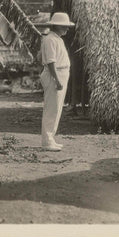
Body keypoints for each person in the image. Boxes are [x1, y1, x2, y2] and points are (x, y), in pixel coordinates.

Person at [40, 12, 75, 151]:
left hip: (61, 73)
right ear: (56, 26)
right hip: (55, 75)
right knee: (52, 108)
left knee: (57, 108)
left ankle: (50, 138)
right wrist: (57, 80)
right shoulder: (49, 39)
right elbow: (51, 62)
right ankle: (47, 141)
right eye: (64, 26)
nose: (66, 29)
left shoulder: (57, 39)